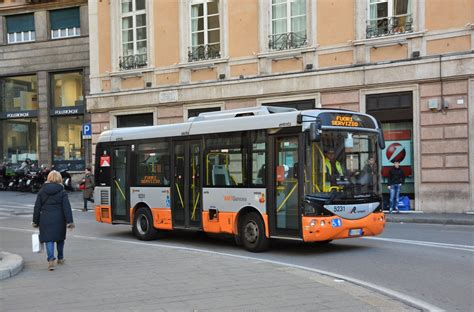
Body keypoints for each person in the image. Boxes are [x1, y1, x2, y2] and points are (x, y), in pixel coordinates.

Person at [32, 170, 74, 271]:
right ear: (59, 178)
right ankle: (60, 258)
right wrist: (70, 221)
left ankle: (51, 260)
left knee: (48, 239)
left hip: (45, 219)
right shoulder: (62, 191)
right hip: (59, 218)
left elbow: (37, 208)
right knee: (60, 239)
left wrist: (35, 221)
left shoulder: (42, 191)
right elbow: (67, 208)